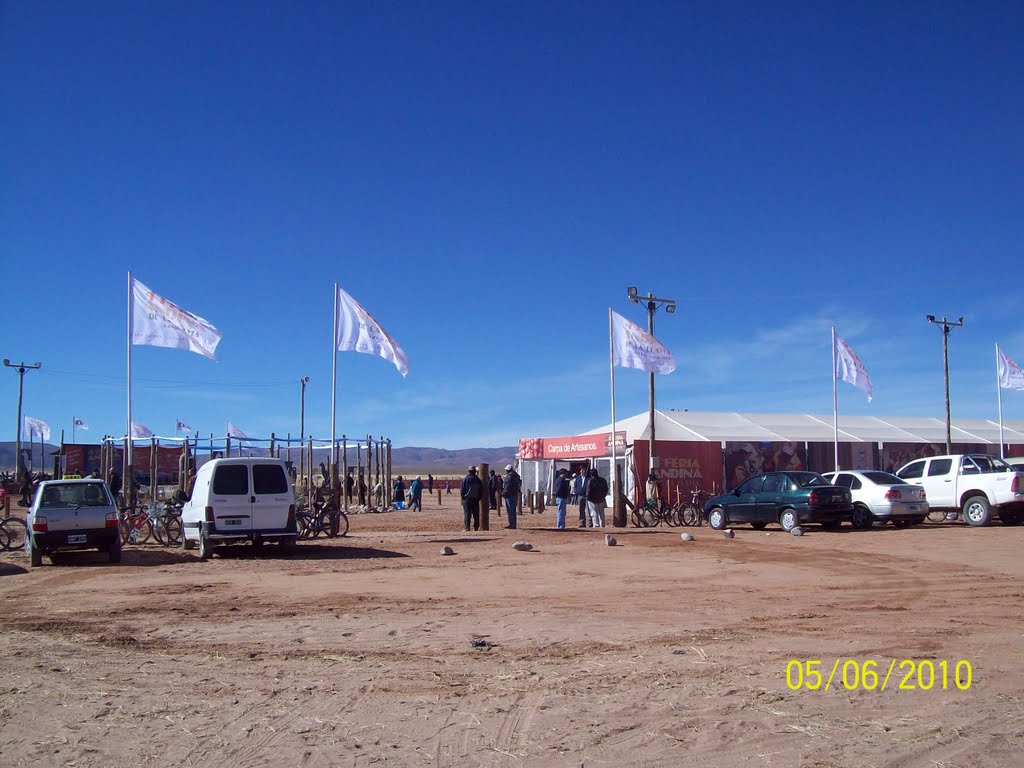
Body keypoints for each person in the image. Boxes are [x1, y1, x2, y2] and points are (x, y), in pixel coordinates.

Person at [460, 466, 483, 531]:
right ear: (475, 471)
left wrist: (463, 498)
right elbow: (481, 490)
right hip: (475, 499)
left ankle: (467, 527)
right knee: (476, 514)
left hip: (467, 499)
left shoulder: (465, 479)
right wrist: (479, 498)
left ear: (469, 471)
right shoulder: (478, 480)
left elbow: (462, 490)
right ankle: (476, 527)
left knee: (467, 514)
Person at [501, 463, 521, 530]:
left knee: (510, 510)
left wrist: (504, 493)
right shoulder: (516, 476)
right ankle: (513, 523)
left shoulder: (510, 476)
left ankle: (512, 524)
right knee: (513, 509)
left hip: (509, 495)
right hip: (514, 494)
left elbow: (507, 486)